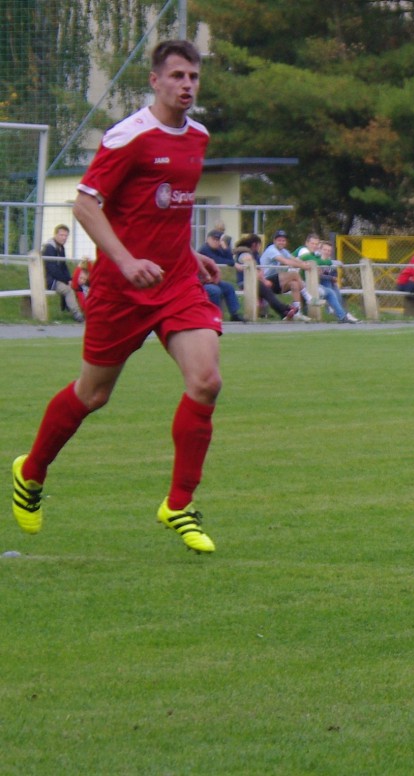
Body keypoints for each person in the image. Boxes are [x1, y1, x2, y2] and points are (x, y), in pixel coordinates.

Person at [11, 40, 223, 553]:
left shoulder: (198, 137)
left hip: (174, 282)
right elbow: (85, 205)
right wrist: (126, 261)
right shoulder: (129, 136)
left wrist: (189, 253)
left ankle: (178, 504)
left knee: (206, 380)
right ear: (154, 81)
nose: (187, 84)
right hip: (120, 288)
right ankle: (31, 471)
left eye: (193, 76)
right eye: (177, 75)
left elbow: (168, 205)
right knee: (93, 395)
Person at [232, 234, 301, 320]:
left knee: (267, 292)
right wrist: (264, 281)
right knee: (267, 292)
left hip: (257, 281)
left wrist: (263, 278)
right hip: (246, 282)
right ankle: (285, 309)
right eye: (259, 245)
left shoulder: (256, 254)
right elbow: (249, 264)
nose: (260, 248)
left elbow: (260, 270)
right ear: (255, 245)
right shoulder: (244, 253)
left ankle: (284, 312)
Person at [259, 230, 313, 317]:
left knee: (294, 284)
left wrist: (304, 264)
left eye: (283, 240)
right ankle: (307, 297)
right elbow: (286, 261)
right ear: (274, 241)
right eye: (279, 240)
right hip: (264, 281)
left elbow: (293, 258)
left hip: (273, 282)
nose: (281, 242)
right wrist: (303, 267)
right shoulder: (271, 250)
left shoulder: (283, 250)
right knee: (293, 274)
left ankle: (297, 312)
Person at [198, 230, 244, 321]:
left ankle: (234, 314)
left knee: (229, 287)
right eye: (214, 239)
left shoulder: (217, 249)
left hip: (211, 280)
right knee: (215, 290)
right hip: (201, 281)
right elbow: (216, 260)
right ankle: (215, 316)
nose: (216, 241)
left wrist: (225, 247)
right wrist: (233, 263)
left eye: (218, 239)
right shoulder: (204, 249)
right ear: (208, 239)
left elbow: (229, 258)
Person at [42, 224, 85, 322]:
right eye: (61, 235)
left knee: (74, 285)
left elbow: (63, 266)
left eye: (66, 236)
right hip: (47, 279)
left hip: (55, 278)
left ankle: (74, 310)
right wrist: (66, 280)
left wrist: (69, 279)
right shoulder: (49, 248)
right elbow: (52, 269)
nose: (64, 238)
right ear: (55, 235)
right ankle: (77, 314)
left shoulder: (61, 248)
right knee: (67, 290)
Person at [312, 240, 358, 323]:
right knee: (328, 282)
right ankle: (339, 312)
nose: (327, 252)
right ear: (321, 250)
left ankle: (343, 313)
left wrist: (333, 278)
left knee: (335, 287)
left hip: (329, 284)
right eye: (325, 250)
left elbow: (335, 274)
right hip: (318, 284)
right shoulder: (317, 259)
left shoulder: (330, 262)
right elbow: (318, 275)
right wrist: (330, 277)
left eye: (329, 251)